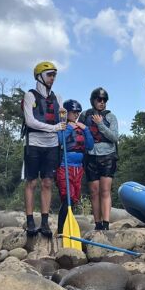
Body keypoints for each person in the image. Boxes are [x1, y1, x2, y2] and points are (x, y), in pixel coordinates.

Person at [22, 61, 64, 240]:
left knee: (47, 183)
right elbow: (30, 121)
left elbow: (61, 120)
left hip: (52, 145)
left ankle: (45, 221)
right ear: (40, 76)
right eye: (49, 75)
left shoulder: (58, 97)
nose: (52, 78)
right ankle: (30, 220)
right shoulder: (29, 96)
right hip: (34, 143)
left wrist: (61, 127)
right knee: (31, 182)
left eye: (54, 75)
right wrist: (53, 128)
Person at [80, 87, 119, 231]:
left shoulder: (111, 117)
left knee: (105, 190)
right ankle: (97, 223)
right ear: (93, 101)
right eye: (99, 100)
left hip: (108, 156)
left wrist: (100, 124)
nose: (102, 102)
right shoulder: (84, 115)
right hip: (90, 156)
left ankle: (106, 223)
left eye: (104, 100)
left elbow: (114, 137)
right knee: (94, 191)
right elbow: (79, 134)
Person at [55, 99, 95, 238]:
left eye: (78, 112)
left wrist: (86, 129)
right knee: (67, 198)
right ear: (67, 113)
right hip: (65, 167)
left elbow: (89, 146)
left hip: (78, 168)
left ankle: (66, 226)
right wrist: (70, 127)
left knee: (74, 198)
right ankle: (61, 230)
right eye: (73, 112)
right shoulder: (63, 126)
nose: (76, 115)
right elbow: (60, 140)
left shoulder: (82, 128)